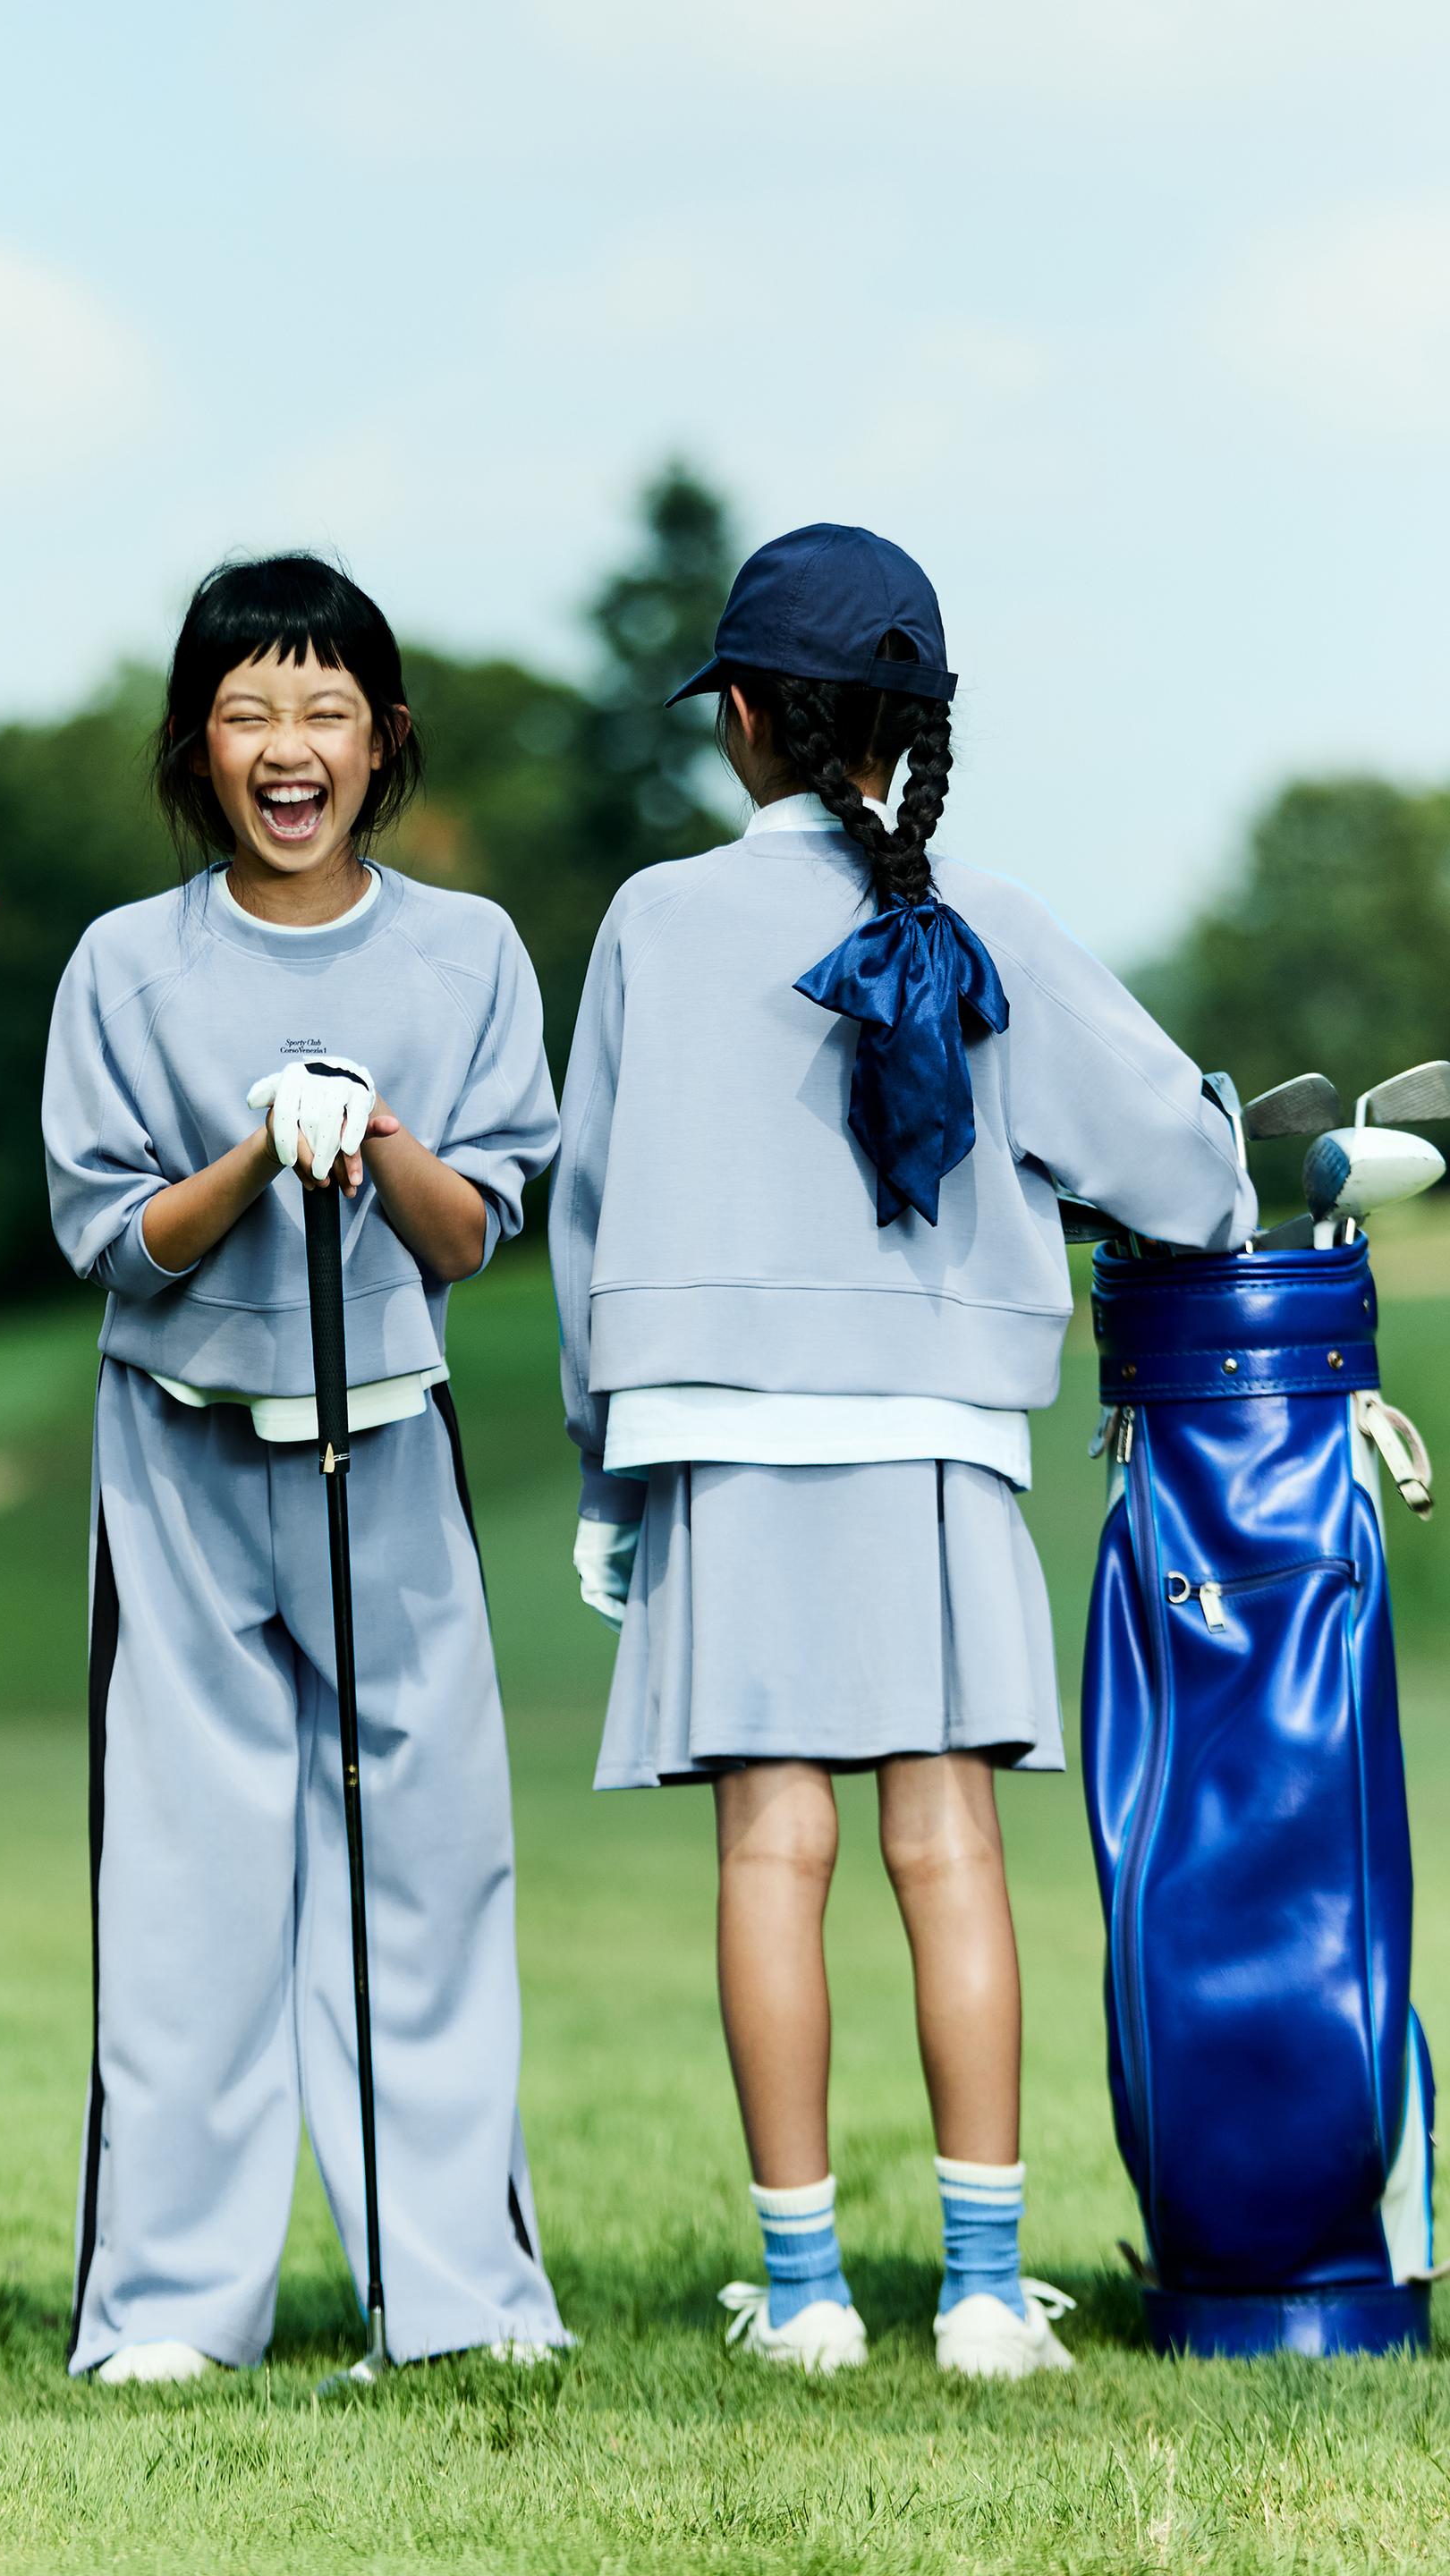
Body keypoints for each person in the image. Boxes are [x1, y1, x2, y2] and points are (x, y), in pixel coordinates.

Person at [549, 523, 1256, 2380]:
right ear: (912, 728)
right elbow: (1179, 1169)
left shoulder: (651, 922)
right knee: (947, 1843)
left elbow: (589, 1220)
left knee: (770, 1849)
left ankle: (803, 2302)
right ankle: (981, 2295)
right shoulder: (990, 916)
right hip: (933, 1436)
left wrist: (606, 1472)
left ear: (746, 716)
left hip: (713, 1432)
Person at [42, 554, 569, 2382]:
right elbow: (121, 1244)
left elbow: (470, 1229)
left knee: (429, 1873)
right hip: (179, 1469)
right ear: (197, 747)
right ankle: (170, 2312)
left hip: (388, 1449)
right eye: (249, 711)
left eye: (324, 710)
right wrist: (261, 1151)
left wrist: (378, 1136)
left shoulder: (466, 952)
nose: (289, 746)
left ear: (383, 738)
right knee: (185, 1889)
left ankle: (460, 2296)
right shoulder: (126, 963)